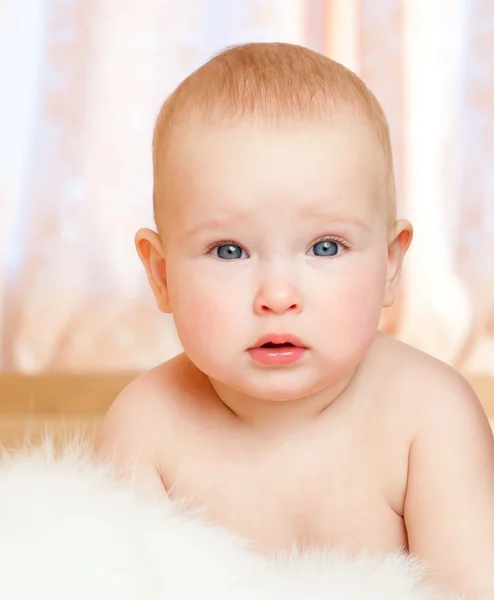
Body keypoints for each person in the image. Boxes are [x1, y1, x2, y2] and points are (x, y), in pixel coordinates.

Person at [94, 42, 494, 599]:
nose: (277, 297)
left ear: (389, 264)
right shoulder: (146, 427)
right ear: (161, 275)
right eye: (229, 251)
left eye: (325, 247)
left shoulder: (429, 417)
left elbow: (470, 588)